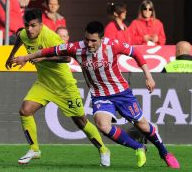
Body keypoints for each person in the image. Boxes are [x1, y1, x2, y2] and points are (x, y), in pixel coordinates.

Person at [12, 21, 180, 169]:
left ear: (102, 39)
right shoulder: (76, 48)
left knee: (142, 125)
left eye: (94, 41)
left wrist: (148, 76)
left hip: (121, 92)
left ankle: (165, 153)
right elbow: (48, 50)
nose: (90, 44)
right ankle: (138, 147)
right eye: (87, 39)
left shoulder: (113, 45)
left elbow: (135, 53)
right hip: (100, 95)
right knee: (102, 124)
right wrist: (26, 57)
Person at [5, 8, 111, 167]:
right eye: (27, 25)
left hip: (64, 87)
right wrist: (10, 56)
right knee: (25, 110)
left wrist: (43, 57)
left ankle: (103, 150)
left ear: (41, 24)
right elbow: (20, 38)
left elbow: (67, 57)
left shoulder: (51, 37)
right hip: (44, 83)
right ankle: (34, 149)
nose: (29, 29)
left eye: (33, 25)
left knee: (81, 122)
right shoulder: (25, 34)